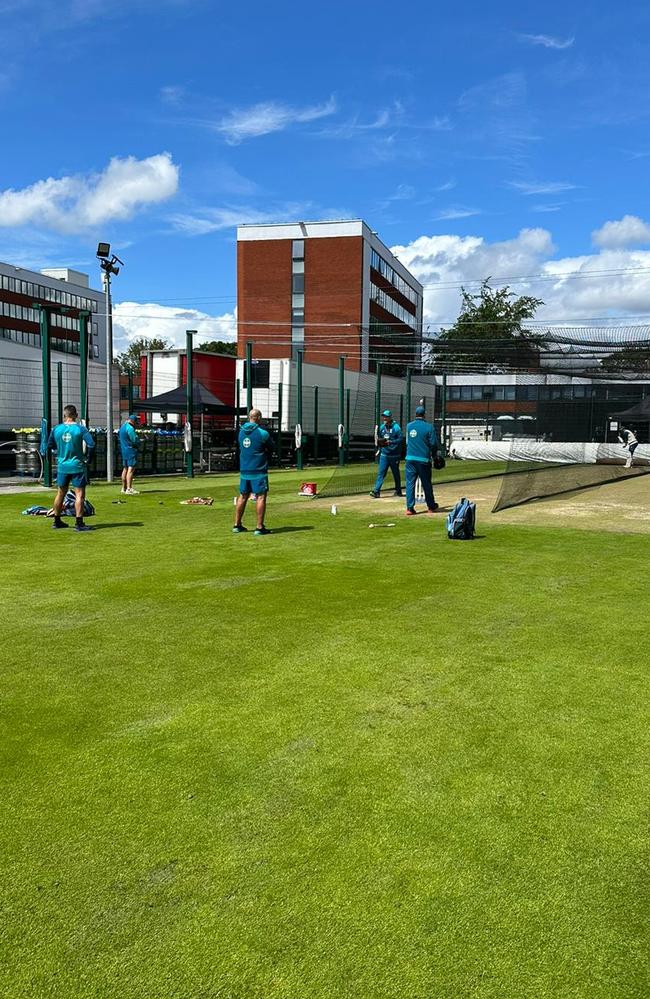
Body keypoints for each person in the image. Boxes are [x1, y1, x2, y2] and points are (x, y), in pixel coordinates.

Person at [47, 404, 95, 532]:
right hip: (76, 466)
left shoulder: (56, 429)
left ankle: (57, 521)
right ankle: (79, 523)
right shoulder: (80, 429)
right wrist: (88, 460)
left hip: (62, 466)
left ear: (64, 415)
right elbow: (91, 444)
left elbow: (48, 446)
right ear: (76, 415)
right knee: (79, 494)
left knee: (60, 493)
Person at [233, 408, 273, 535]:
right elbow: (272, 447)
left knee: (243, 496)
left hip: (244, 470)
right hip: (259, 470)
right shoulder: (263, 433)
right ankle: (259, 527)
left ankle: (237, 525)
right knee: (261, 497)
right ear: (259, 418)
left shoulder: (240, 433)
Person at [404, 405, 440, 517]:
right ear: (424, 415)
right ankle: (430, 506)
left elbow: (407, 441)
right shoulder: (429, 427)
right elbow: (433, 444)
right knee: (426, 484)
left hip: (409, 459)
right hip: (423, 459)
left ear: (415, 414)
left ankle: (410, 508)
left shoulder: (409, 426)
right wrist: (435, 456)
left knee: (410, 484)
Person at [370, 409, 403, 498]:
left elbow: (400, 439)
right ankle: (376, 491)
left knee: (395, 473)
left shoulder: (396, 427)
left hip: (394, 455)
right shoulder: (382, 427)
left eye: (386, 416)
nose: (384, 418)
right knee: (381, 473)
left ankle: (398, 490)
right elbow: (380, 438)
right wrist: (380, 447)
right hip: (384, 454)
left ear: (390, 417)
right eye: (383, 416)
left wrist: (390, 442)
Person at [119, 414, 140, 494]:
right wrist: (139, 441)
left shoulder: (122, 427)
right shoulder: (130, 428)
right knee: (131, 469)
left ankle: (123, 488)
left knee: (125, 469)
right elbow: (134, 440)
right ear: (133, 421)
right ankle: (129, 488)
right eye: (136, 422)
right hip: (130, 450)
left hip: (124, 450)